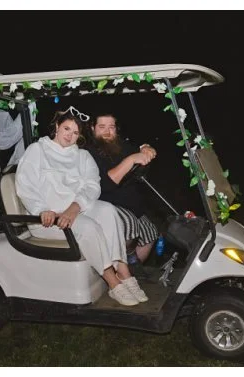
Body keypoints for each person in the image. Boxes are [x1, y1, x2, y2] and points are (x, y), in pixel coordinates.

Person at [15, 108, 149, 306]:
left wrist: (74, 208)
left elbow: (92, 186)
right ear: (56, 127)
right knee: (89, 227)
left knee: (108, 211)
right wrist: (41, 209)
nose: (70, 135)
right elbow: (25, 185)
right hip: (47, 218)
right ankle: (112, 282)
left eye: (76, 132)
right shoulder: (38, 150)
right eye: (67, 129)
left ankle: (124, 272)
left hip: (75, 211)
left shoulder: (82, 156)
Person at [86, 112, 161, 265]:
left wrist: (146, 148)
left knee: (151, 233)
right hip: (104, 204)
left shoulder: (119, 145)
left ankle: (133, 268)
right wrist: (131, 159)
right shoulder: (88, 152)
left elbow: (138, 149)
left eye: (111, 127)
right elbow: (106, 183)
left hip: (130, 204)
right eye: (102, 127)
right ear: (93, 128)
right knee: (129, 225)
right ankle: (119, 266)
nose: (107, 132)